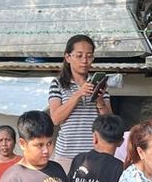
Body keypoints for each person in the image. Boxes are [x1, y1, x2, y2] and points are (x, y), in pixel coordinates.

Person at [48, 34, 112, 173]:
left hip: (94, 154)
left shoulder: (99, 83)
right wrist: (78, 94)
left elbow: (109, 122)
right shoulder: (57, 84)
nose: (84, 60)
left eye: (89, 56)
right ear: (68, 57)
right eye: (79, 55)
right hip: (65, 155)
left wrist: (100, 100)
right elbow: (55, 119)